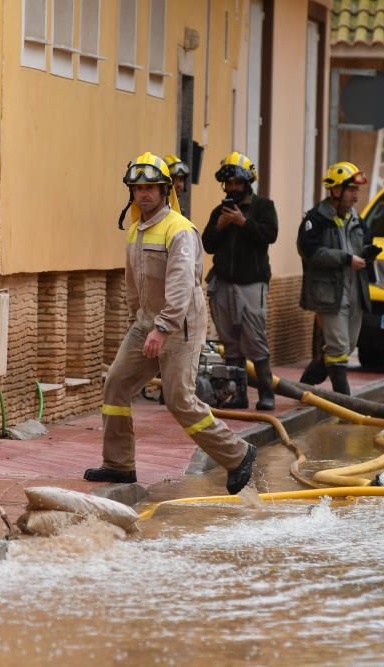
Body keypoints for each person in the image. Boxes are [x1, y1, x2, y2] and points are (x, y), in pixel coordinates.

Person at [85, 152, 258, 494]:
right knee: (116, 383)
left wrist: (162, 328)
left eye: (151, 187)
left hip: (180, 326)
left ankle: (238, 454)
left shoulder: (179, 230)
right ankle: (119, 464)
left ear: (165, 191)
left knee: (179, 399)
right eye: (138, 188)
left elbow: (181, 285)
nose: (144, 193)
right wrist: (141, 322)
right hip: (146, 324)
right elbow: (133, 281)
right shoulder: (136, 229)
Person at [202, 152, 279, 411]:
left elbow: (270, 234)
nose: (232, 188)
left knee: (255, 339)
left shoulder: (263, 207)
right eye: (228, 183)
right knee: (230, 342)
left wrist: (243, 223)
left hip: (251, 284)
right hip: (223, 283)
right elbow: (208, 244)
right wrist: (221, 225)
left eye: (237, 182)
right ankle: (238, 394)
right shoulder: (218, 211)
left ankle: (267, 393)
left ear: (247, 183)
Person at [297, 162, 381, 395]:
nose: (356, 196)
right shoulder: (315, 220)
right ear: (336, 191)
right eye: (352, 189)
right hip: (329, 293)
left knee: (348, 345)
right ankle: (344, 401)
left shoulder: (356, 220)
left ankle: (304, 385)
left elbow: (362, 244)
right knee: (338, 347)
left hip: (355, 291)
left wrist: (367, 253)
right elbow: (311, 252)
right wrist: (345, 259)